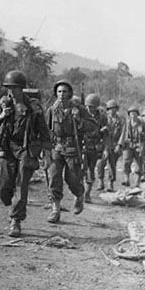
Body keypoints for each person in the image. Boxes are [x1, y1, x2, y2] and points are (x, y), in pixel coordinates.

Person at [0, 70, 51, 237]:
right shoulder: (4, 103)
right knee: (4, 188)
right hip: (7, 147)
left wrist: (47, 152)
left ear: (22, 89)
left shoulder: (34, 107)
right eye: (9, 88)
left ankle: (15, 221)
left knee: (21, 184)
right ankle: (12, 205)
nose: (11, 92)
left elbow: (43, 130)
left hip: (26, 148)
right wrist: (2, 116)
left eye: (15, 88)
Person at [45, 80, 97, 223]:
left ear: (70, 94)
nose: (62, 95)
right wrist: (46, 150)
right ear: (56, 93)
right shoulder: (51, 110)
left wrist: (79, 119)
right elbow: (45, 130)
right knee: (54, 177)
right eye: (59, 91)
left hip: (73, 149)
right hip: (57, 148)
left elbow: (93, 127)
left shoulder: (79, 109)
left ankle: (79, 195)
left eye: (65, 92)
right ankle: (55, 209)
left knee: (73, 179)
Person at [82, 93, 109, 202]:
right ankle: (80, 194)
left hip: (94, 148)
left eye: (92, 106)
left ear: (96, 106)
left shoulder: (102, 118)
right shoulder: (81, 115)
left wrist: (106, 149)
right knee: (79, 171)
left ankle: (87, 194)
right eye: (88, 106)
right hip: (82, 146)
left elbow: (106, 135)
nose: (90, 109)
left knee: (91, 171)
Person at [116, 105, 145, 187]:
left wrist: (142, 132)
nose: (133, 115)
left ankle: (137, 182)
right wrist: (119, 145)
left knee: (140, 163)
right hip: (128, 144)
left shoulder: (142, 123)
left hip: (139, 145)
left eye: (134, 114)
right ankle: (126, 179)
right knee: (126, 162)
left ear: (137, 114)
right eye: (131, 114)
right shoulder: (127, 123)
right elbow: (123, 134)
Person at [96, 99, 124, 192]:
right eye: (110, 109)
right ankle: (100, 181)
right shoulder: (103, 118)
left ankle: (111, 183)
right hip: (104, 144)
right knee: (100, 163)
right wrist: (102, 130)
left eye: (114, 108)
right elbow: (97, 129)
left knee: (112, 165)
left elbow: (123, 134)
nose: (112, 110)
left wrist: (119, 145)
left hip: (114, 144)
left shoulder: (120, 120)